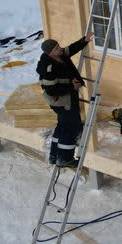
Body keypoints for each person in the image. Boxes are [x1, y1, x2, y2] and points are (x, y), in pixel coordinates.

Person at [36, 33, 93, 167]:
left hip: (66, 98)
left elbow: (69, 49)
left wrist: (84, 40)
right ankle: (65, 158)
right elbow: (52, 90)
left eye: (58, 46)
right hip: (62, 101)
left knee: (62, 126)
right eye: (56, 48)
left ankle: (54, 155)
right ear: (50, 53)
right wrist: (71, 86)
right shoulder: (48, 69)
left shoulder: (59, 55)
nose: (60, 49)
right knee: (71, 128)